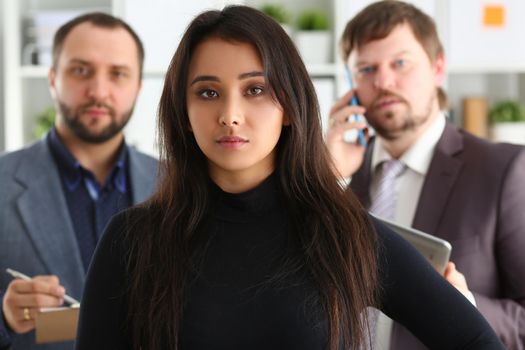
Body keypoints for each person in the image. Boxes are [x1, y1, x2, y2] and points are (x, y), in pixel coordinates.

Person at [76, 5, 504, 350]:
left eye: (255, 89)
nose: (229, 114)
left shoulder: (344, 234)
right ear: (183, 114)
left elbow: (475, 339)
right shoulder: (131, 241)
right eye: (208, 92)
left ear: (288, 107)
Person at [326, 1, 525, 349]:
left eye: (400, 63)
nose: (384, 81)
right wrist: (327, 178)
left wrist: (468, 307)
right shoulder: (340, 177)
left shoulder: (503, 170)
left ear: (438, 67)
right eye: (366, 69)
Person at [0, 12, 158, 350]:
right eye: (81, 70)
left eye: (118, 74)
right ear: (53, 78)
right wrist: (4, 317)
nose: (98, 91)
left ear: (138, 87)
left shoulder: (178, 185)